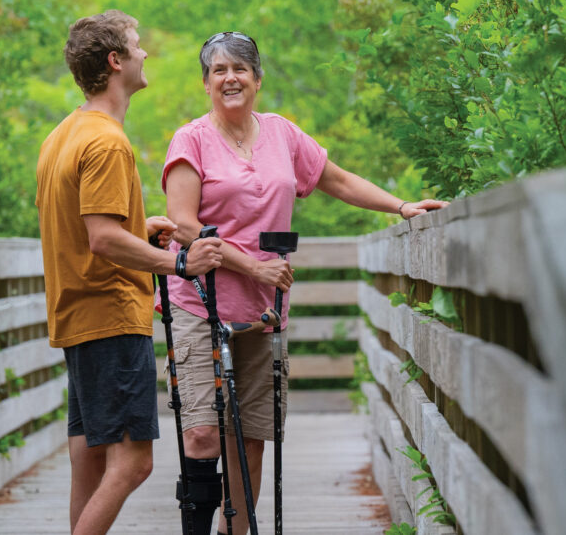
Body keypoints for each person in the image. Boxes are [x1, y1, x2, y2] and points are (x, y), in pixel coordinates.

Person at [162, 30, 447, 535]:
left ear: (257, 79)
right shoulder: (191, 139)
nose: (230, 78)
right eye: (219, 71)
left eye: (240, 69)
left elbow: (337, 180)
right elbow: (184, 225)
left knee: (250, 439)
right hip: (201, 305)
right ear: (206, 83)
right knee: (203, 434)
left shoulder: (282, 135)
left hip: (263, 311)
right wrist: (253, 266)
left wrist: (401, 205)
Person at [35, 10, 226, 535]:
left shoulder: (64, 134)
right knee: (133, 463)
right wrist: (179, 262)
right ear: (116, 60)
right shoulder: (107, 141)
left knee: (90, 460)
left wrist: (139, 229)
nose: (145, 53)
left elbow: (82, 230)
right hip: (112, 317)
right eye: (137, 45)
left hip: (76, 316)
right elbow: (102, 238)